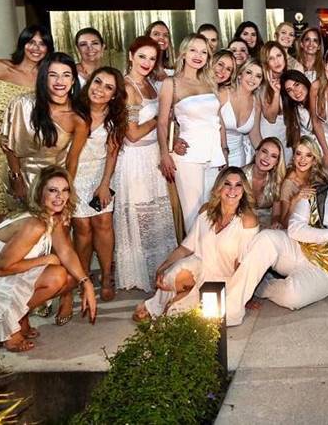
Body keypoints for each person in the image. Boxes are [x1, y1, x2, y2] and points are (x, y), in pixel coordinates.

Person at [224, 156, 328, 326]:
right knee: (266, 238)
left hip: (326, 270)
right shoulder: (313, 191)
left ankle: (261, 285)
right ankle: (230, 311)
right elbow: (295, 229)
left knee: (292, 296)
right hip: (297, 250)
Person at [0, 166, 97, 351]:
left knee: (71, 277)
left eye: (64, 190)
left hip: (6, 277)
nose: (60, 196)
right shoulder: (34, 224)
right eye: (53, 190)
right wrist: (45, 260)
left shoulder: (51, 217)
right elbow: (0, 269)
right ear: (40, 192)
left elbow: (66, 252)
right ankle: (8, 327)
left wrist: (86, 283)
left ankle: (19, 316)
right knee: (57, 275)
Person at [133, 167, 259, 320]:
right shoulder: (206, 210)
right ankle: (159, 303)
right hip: (199, 266)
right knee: (171, 275)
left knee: (177, 315)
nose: (232, 190)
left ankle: (177, 300)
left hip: (224, 279)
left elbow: (245, 266)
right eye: (227, 184)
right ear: (219, 187)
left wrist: (244, 296)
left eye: (238, 185)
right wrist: (163, 267)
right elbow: (186, 247)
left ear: (244, 190)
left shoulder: (248, 220)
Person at [113, 36, 177, 292]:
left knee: (156, 217)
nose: (147, 62)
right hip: (135, 159)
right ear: (131, 56)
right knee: (141, 217)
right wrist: (159, 119)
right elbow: (132, 134)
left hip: (152, 155)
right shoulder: (127, 87)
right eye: (142, 56)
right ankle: (139, 274)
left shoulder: (150, 84)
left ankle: (158, 270)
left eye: (152, 58)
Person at [0, 25, 53, 228]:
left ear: (48, 48)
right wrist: (0, 138)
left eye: (42, 44)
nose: (36, 48)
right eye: (31, 42)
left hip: (30, 150)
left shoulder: (47, 77)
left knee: (32, 210)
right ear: (23, 43)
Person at [157, 33, 226, 230]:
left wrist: (224, 151)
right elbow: (162, 123)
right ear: (184, 53)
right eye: (193, 50)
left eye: (203, 52)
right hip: (188, 157)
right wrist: (165, 153)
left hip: (214, 156)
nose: (198, 55)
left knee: (213, 214)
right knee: (193, 217)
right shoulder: (171, 83)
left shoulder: (210, 82)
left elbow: (218, 120)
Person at [3, 52, 89, 207]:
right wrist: (16, 179)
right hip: (19, 176)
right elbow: (9, 146)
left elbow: (72, 159)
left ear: (73, 80)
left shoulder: (78, 118)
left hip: (53, 183)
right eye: (53, 75)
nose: (59, 81)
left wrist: (65, 190)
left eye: (66, 75)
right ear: (44, 78)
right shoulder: (22, 104)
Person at [71, 67, 126, 302]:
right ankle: (82, 277)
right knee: (82, 228)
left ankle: (106, 276)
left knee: (103, 222)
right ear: (89, 83)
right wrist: (67, 184)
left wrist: (104, 184)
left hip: (100, 173)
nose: (100, 89)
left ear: (114, 95)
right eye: (98, 82)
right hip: (73, 174)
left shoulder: (115, 118)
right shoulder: (73, 109)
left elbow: (112, 153)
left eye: (108, 87)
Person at [275, 136, 328, 228]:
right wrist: (295, 200)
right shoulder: (288, 184)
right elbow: (284, 223)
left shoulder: (320, 176)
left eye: (308, 155)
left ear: (314, 160)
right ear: (293, 157)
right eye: (298, 154)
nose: (302, 159)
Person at [221, 58, 262, 167]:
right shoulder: (223, 93)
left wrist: (265, 152)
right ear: (239, 75)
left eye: (258, 76)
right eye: (249, 72)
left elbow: (255, 135)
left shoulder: (256, 103)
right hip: (216, 152)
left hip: (239, 156)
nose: (253, 78)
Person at [243, 137, 287, 228]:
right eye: (264, 152)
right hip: (242, 221)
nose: (267, 158)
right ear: (256, 152)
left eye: (273, 156)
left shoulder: (277, 182)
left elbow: (276, 214)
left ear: (276, 163)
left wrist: (275, 223)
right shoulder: (240, 176)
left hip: (266, 222)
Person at [259, 41, 289, 151]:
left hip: (287, 138)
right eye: (271, 58)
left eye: (279, 55)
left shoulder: (290, 78)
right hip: (269, 136)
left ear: (284, 56)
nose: (277, 61)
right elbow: (271, 118)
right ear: (266, 62)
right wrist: (276, 93)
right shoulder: (263, 85)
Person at [280, 69, 314, 151]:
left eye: (297, 85)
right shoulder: (296, 110)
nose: (295, 91)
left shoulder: (321, 98)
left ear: (304, 82)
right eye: (289, 90)